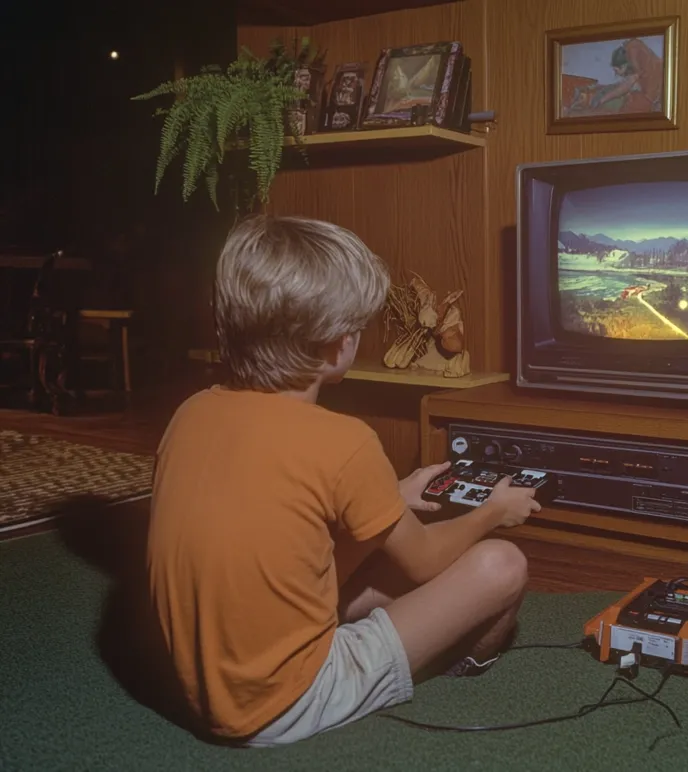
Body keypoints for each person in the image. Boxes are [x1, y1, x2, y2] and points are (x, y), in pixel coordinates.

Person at [146, 215, 541, 748]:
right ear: (339, 345)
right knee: (502, 564)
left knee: (366, 539)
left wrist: (395, 496)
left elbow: (269, 523)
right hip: (281, 706)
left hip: (196, 689)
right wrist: (494, 509)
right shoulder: (343, 439)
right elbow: (424, 560)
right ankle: (463, 662)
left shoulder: (190, 413)